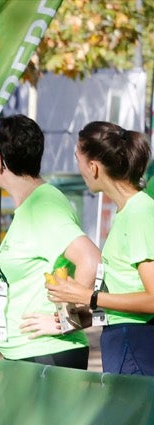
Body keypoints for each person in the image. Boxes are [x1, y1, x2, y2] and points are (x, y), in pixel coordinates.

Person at [0, 116, 100, 370]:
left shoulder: (43, 205)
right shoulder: (30, 205)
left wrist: (65, 321)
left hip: (46, 353)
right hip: (28, 353)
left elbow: (91, 258)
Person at [47, 122, 154, 376]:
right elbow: (126, 291)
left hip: (135, 345)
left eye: (78, 159)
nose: (79, 168)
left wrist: (88, 296)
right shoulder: (128, 212)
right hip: (125, 341)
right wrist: (77, 314)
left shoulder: (139, 213)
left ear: (93, 167)